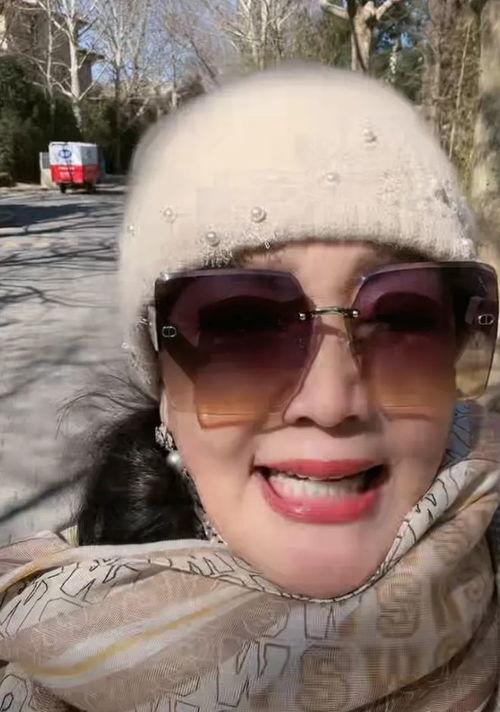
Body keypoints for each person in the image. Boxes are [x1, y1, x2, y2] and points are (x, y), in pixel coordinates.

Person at [0, 64, 498, 712]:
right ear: (164, 390)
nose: (330, 403)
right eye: (242, 325)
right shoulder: (35, 649)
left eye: (401, 318)